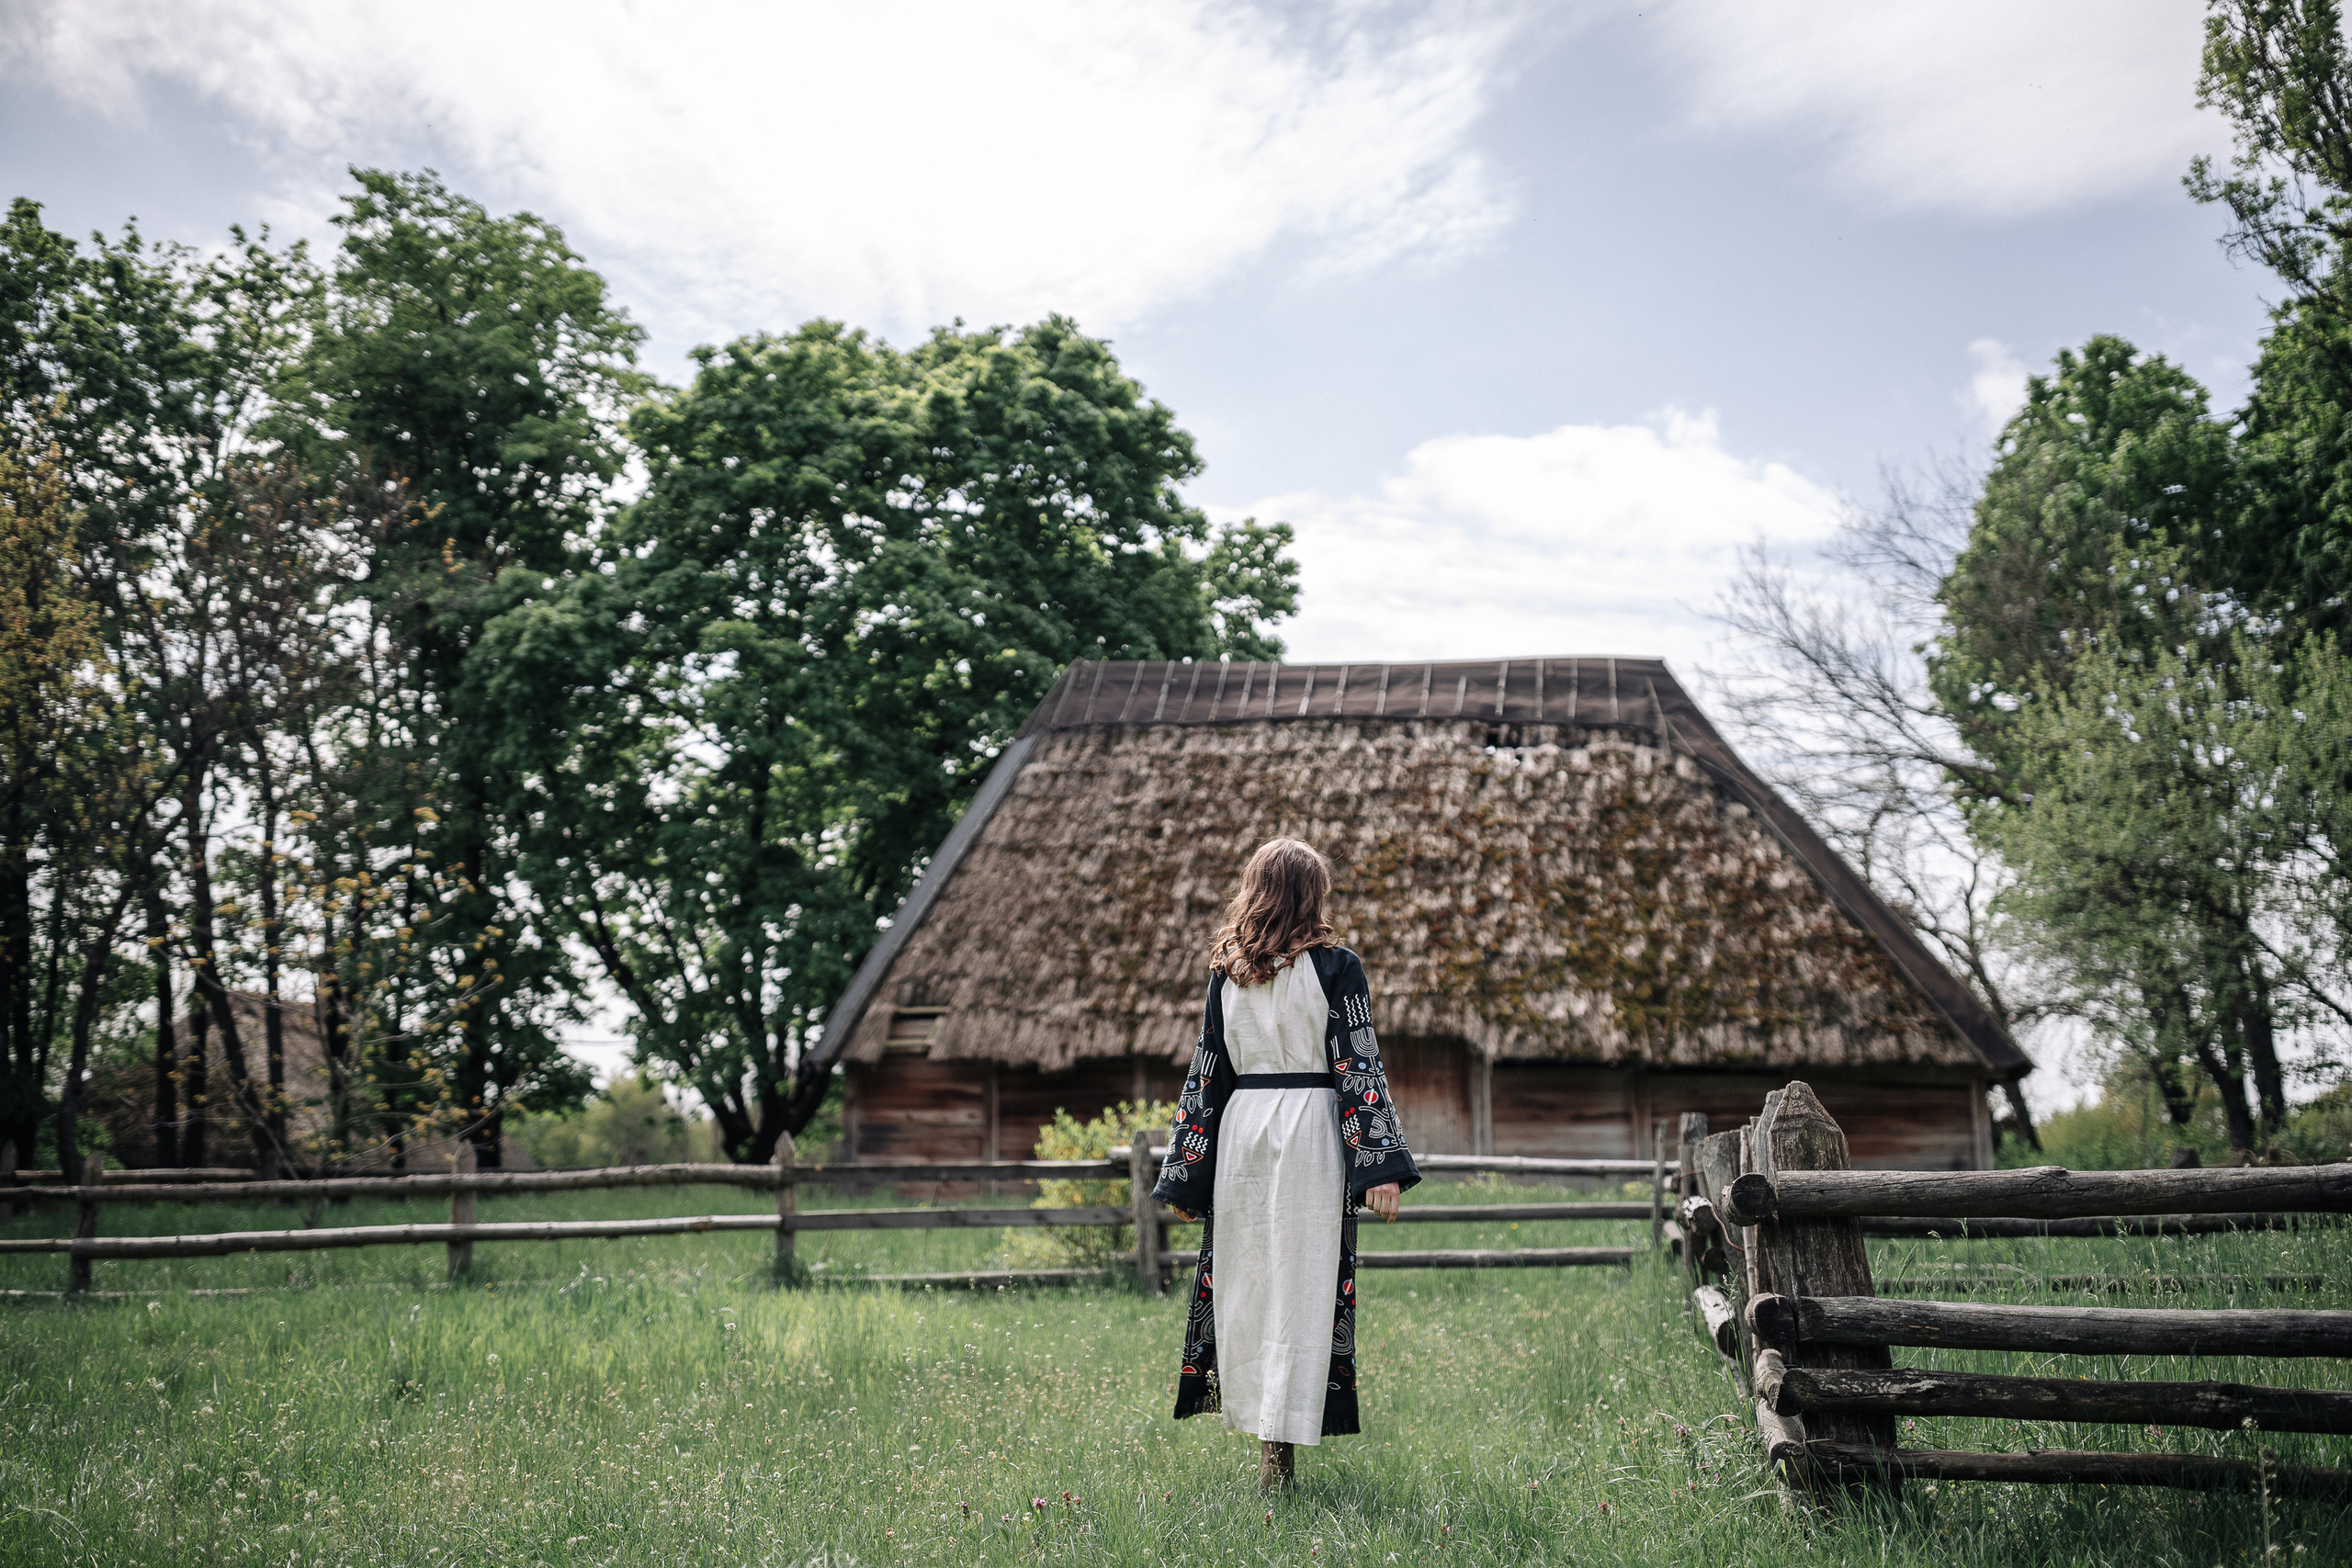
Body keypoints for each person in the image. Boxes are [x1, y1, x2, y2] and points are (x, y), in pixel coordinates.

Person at [1153, 837, 1419, 1489]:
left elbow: (1205, 1078)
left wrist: (1188, 1171)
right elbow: (1358, 1063)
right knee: (1281, 1285)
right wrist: (1379, 1164)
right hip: (1306, 1138)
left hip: (1248, 1136)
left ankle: (1276, 1448)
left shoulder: (1236, 971)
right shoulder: (1329, 966)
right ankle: (1277, 1450)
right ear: (1311, 893)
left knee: (1266, 1283)